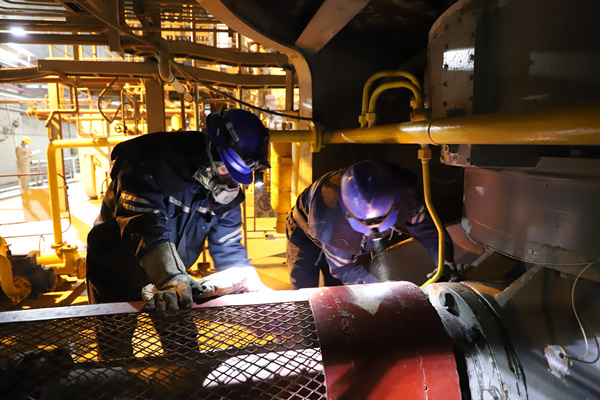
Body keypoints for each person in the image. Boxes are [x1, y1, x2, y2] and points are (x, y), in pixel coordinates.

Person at [86, 108, 271, 312]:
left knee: (180, 327)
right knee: (115, 331)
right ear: (211, 150)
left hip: (173, 281)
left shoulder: (226, 191)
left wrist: (239, 275)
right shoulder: (148, 161)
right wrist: (171, 277)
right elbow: (144, 225)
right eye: (227, 169)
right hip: (116, 275)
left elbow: (227, 247)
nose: (230, 182)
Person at [286, 159, 455, 288]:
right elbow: (343, 269)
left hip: (341, 233)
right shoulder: (332, 218)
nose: (375, 229)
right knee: (305, 288)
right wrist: (380, 287)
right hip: (304, 233)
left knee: (337, 292)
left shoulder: (404, 196)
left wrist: (444, 261)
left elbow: (429, 232)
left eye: (380, 220)